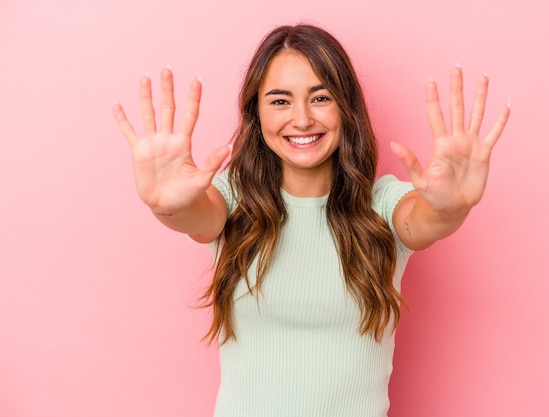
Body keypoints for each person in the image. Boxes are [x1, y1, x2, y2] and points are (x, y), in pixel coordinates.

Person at [112, 24, 509, 417]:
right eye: (280, 101)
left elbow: (424, 220)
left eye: (320, 98)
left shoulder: (383, 205)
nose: (301, 120)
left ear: (345, 107)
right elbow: (195, 214)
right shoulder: (233, 200)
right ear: (257, 113)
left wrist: (451, 206)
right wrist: (165, 205)